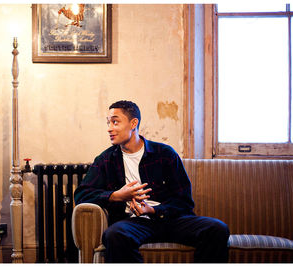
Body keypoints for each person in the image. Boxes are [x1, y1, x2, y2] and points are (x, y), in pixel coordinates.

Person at [74, 100, 230, 263]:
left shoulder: (164, 154)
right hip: (134, 223)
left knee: (217, 229)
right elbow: (81, 195)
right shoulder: (106, 160)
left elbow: (184, 202)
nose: (109, 128)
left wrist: (153, 210)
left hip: (170, 220)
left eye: (115, 122)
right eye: (108, 123)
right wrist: (117, 195)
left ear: (133, 123)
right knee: (114, 235)